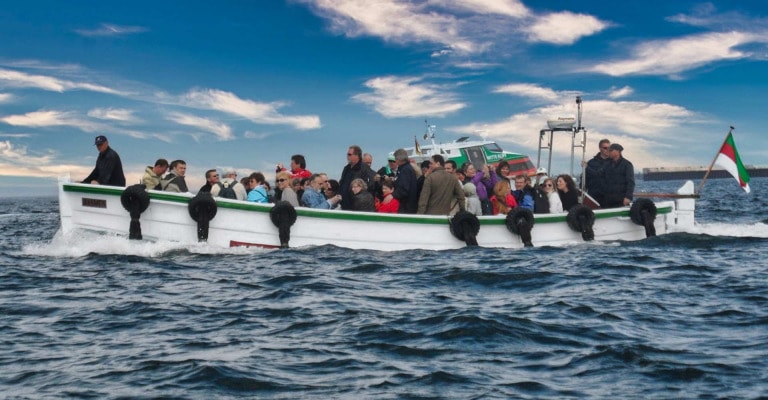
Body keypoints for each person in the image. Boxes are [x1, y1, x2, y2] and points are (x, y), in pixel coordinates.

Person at [339, 145, 376, 210]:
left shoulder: (364, 168)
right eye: (347, 154)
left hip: (357, 207)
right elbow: (342, 184)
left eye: (349, 154)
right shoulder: (346, 168)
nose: (347, 156)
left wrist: (359, 194)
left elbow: (372, 184)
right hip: (344, 206)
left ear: (357, 156)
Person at [603, 143, 635, 208]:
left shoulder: (627, 165)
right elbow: (598, 174)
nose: (609, 152)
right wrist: (586, 167)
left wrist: (628, 197)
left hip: (621, 199)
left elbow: (630, 182)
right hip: (608, 200)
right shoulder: (607, 164)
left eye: (611, 150)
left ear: (618, 151)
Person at [582, 139, 612, 207]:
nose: (608, 150)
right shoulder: (591, 162)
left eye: (609, 148)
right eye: (605, 148)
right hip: (593, 196)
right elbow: (585, 177)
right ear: (600, 148)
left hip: (608, 197)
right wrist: (582, 191)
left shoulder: (613, 163)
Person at [391, 148, 418, 213]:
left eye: (395, 159)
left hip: (406, 207)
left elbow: (404, 190)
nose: (395, 161)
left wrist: (392, 195)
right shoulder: (408, 168)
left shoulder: (405, 170)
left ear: (399, 159)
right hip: (410, 206)